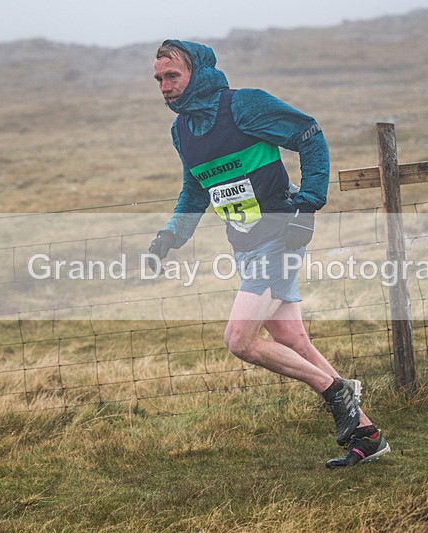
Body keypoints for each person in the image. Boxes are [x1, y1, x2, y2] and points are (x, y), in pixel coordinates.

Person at [148, 39, 389, 468]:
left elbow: (309, 135)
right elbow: (195, 187)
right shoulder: (181, 130)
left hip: (281, 233)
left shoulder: (244, 106)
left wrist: (310, 200)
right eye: (159, 79)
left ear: (196, 74)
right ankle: (367, 436)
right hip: (245, 243)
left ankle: (338, 392)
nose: (165, 86)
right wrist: (171, 236)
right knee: (291, 340)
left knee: (239, 340)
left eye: (173, 76)